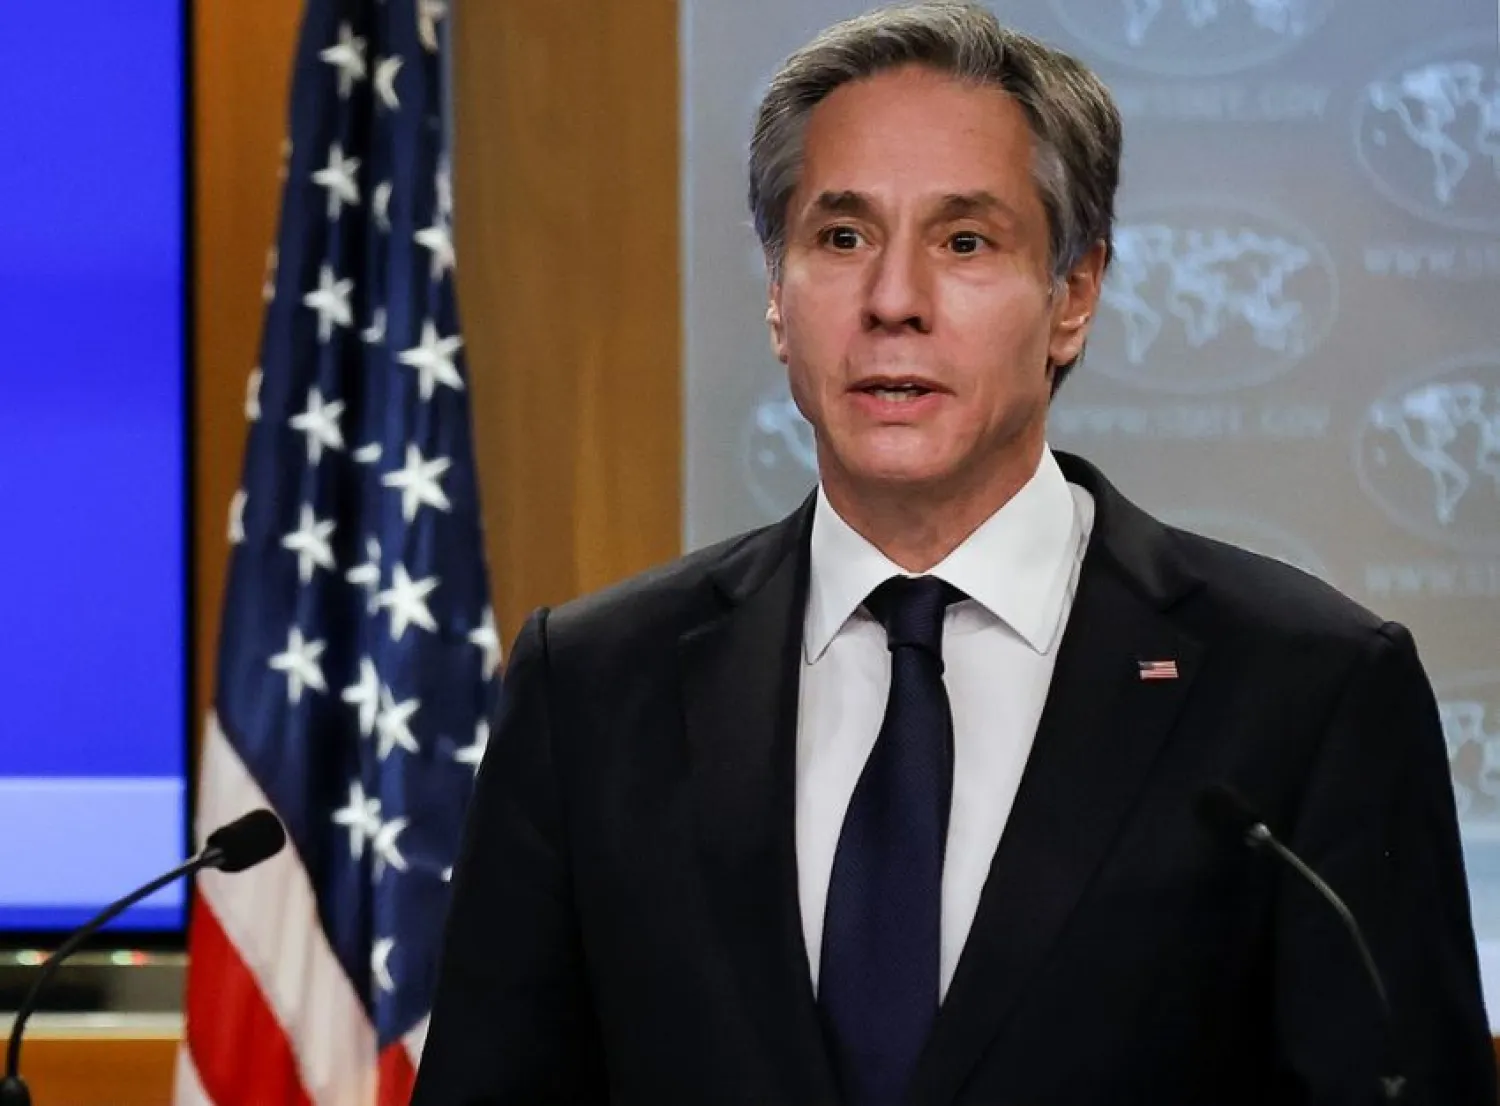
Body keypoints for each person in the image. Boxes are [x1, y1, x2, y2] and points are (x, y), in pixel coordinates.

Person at [411, 3, 1496, 1103]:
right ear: (779, 300)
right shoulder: (593, 687)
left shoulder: (1307, 690)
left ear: (1073, 295)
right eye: (840, 238)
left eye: (964, 241)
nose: (893, 302)